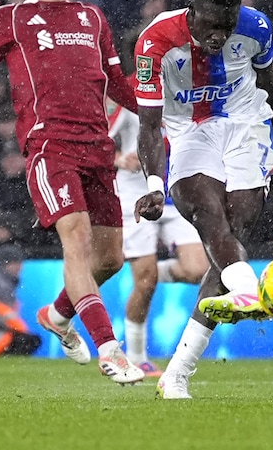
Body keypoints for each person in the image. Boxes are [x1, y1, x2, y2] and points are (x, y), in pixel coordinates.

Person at [0, 0, 144, 384]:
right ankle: (110, 350)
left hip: (98, 147)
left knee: (110, 258)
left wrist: (162, 113)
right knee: (75, 241)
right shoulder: (10, 18)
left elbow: (118, 88)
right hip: (48, 144)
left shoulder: (92, 18)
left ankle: (57, 315)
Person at [133, 0, 273, 399]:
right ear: (192, 12)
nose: (218, 35)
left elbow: (269, 85)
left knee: (231, 236)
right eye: (209, 25)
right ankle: (246, 290)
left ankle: (177, 372)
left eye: (227, 24)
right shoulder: (155, 43)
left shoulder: (256, 27)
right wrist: (153, 183)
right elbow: (148, 125)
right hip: (187, 133)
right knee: (207, 216)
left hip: (245, 124)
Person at [107, 98, 208, 377]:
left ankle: (150, 273)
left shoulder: (188, 93)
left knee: (197, 269)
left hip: (174, 195)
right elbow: (96, 137)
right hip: (134, 195)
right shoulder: (130, 97)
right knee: (145, 281)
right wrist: (117, 158)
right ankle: (136, 357)